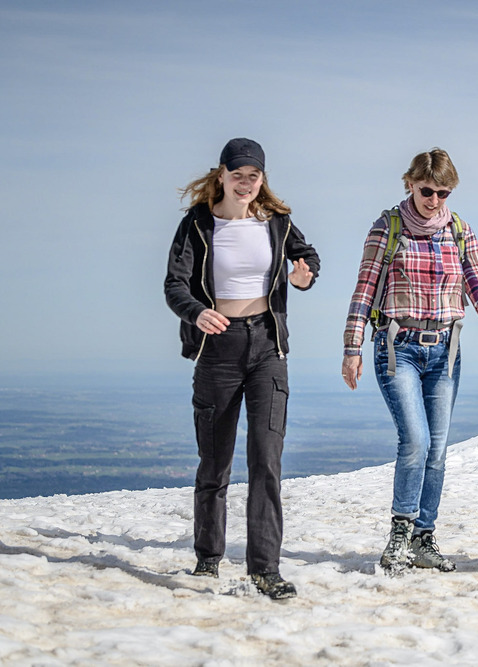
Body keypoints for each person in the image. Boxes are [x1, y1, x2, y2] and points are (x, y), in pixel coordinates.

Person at [342, 148, 478, 574]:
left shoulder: (459, 231)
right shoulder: (387, 229)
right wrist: (352, 349)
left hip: (446, 351)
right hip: (398, 348)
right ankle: (400, 535)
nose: (434, 200)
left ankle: (424, 539)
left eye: (443, 193)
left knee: (438, 450)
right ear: (410, 184)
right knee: (416, 441)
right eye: (427, 191)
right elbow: (364, 290)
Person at [164, 138, 320, 600]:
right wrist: (196, 313)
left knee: (266, 461)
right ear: (222, 175)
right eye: (238, 175)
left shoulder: (277, 221)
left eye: (254, 176)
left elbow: (308, 258)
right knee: (215, 463)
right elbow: (174, 284)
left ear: (262, 179)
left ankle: (265, 569)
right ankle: (208, 559)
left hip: (268, 346)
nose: (246, 183)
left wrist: (304, 276)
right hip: (218, 347)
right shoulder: (197, 223)